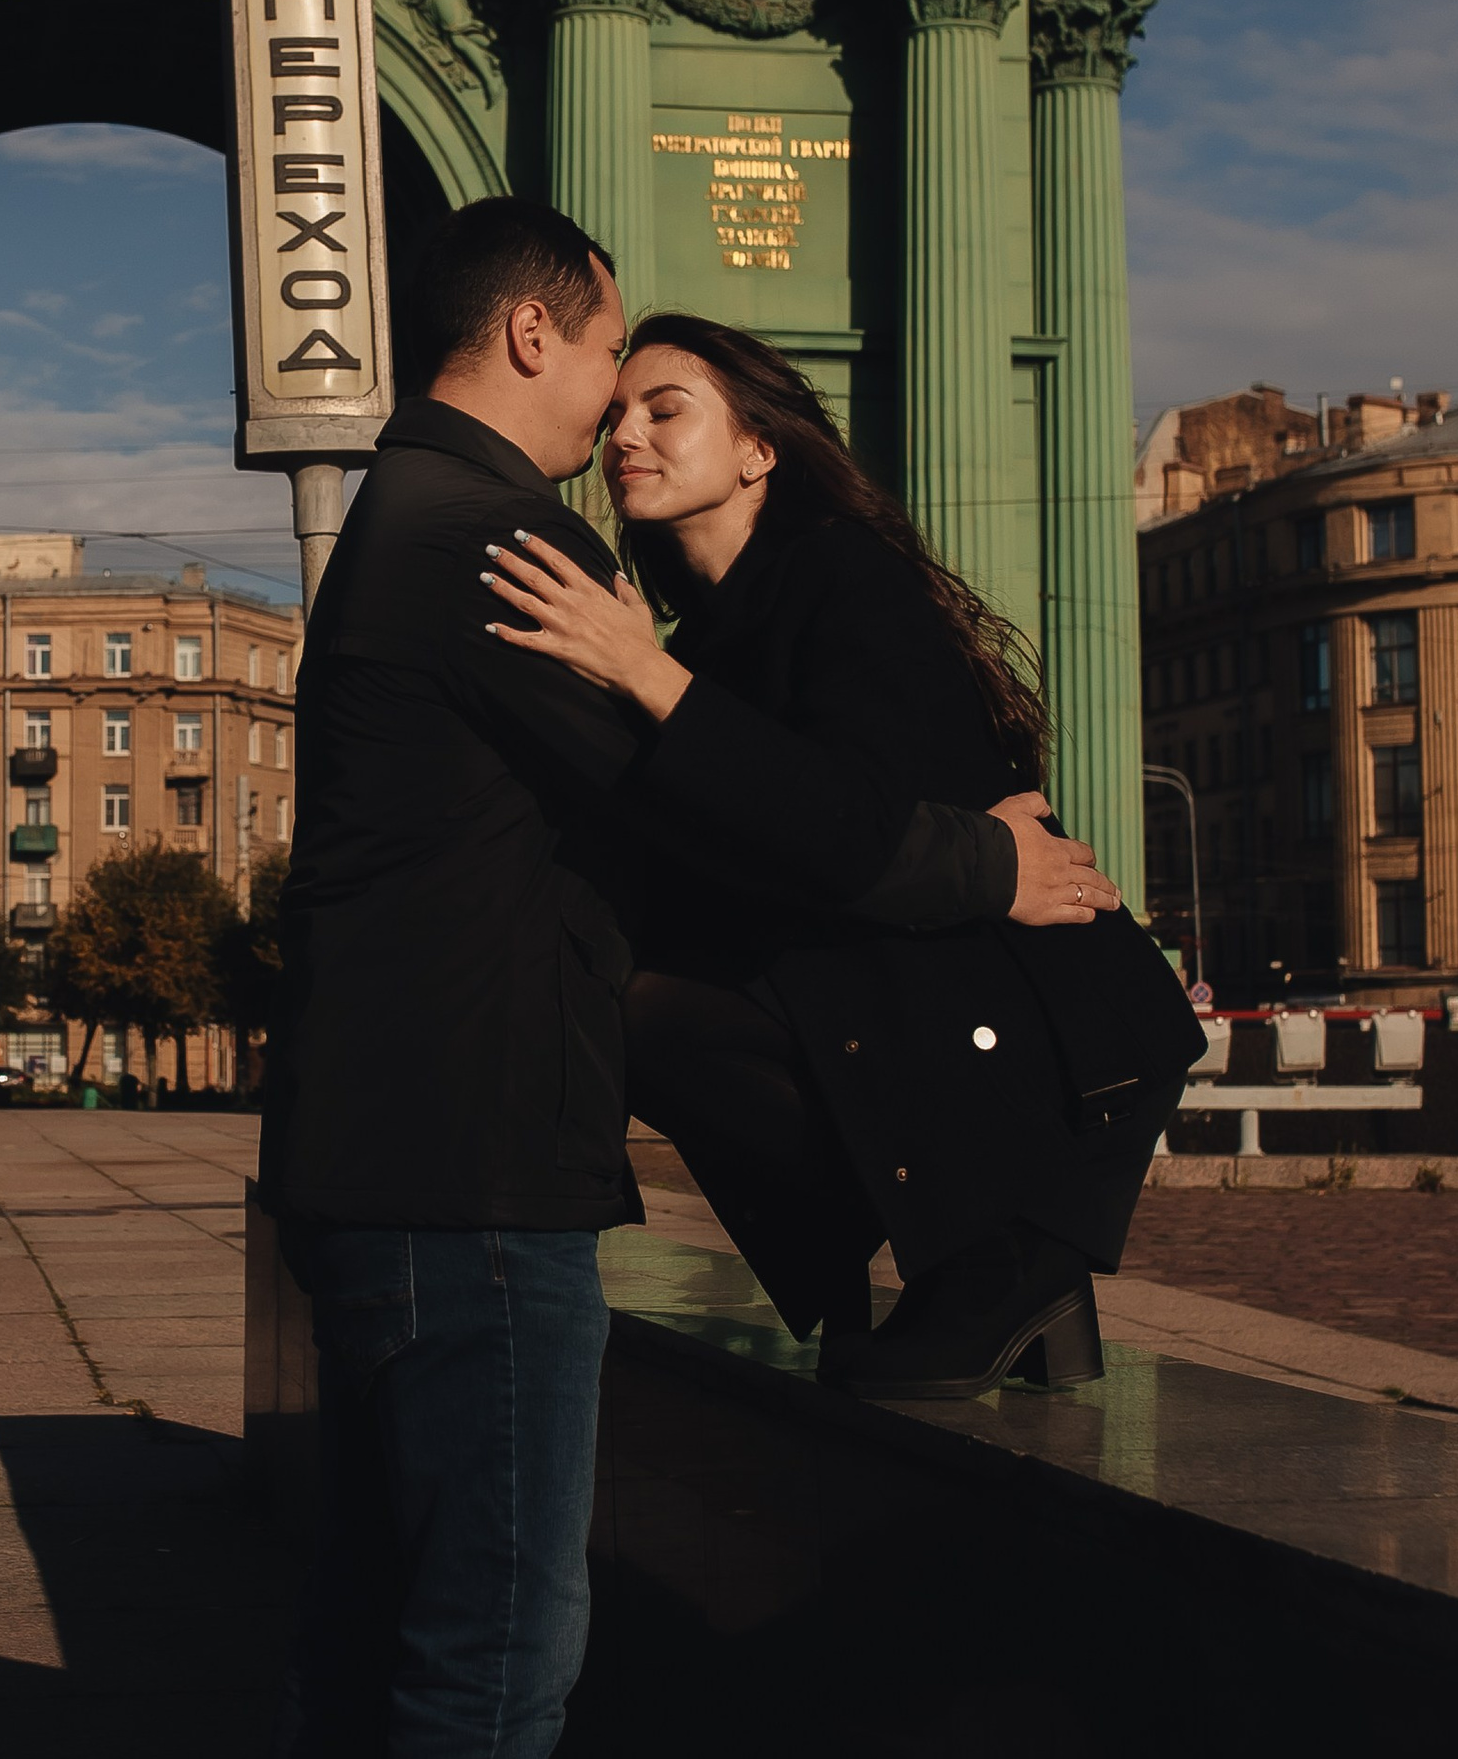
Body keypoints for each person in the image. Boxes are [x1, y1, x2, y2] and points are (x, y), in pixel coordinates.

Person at [262, 210, 1115, 1759]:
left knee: (404, 1652)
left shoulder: (413, 518)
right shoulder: (488, 542)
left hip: (396, 1161)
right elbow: (726, 812)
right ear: (534, 328)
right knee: (490, 1670)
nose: (609, 413)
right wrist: (979, 865)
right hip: (467, 1175)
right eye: (606, 365)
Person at [481, 316, 1198, 1399]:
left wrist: (646, 679)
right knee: (604, 984)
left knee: (624, 1003)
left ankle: (1002, 1253)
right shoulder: (711, 637)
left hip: (1037, 1035)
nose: (628, 433)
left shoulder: (839, 574)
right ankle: (993, 1262)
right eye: (617, 413)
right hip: (934, 1018)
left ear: (758, 449)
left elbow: (841, 827)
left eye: (666, 409)